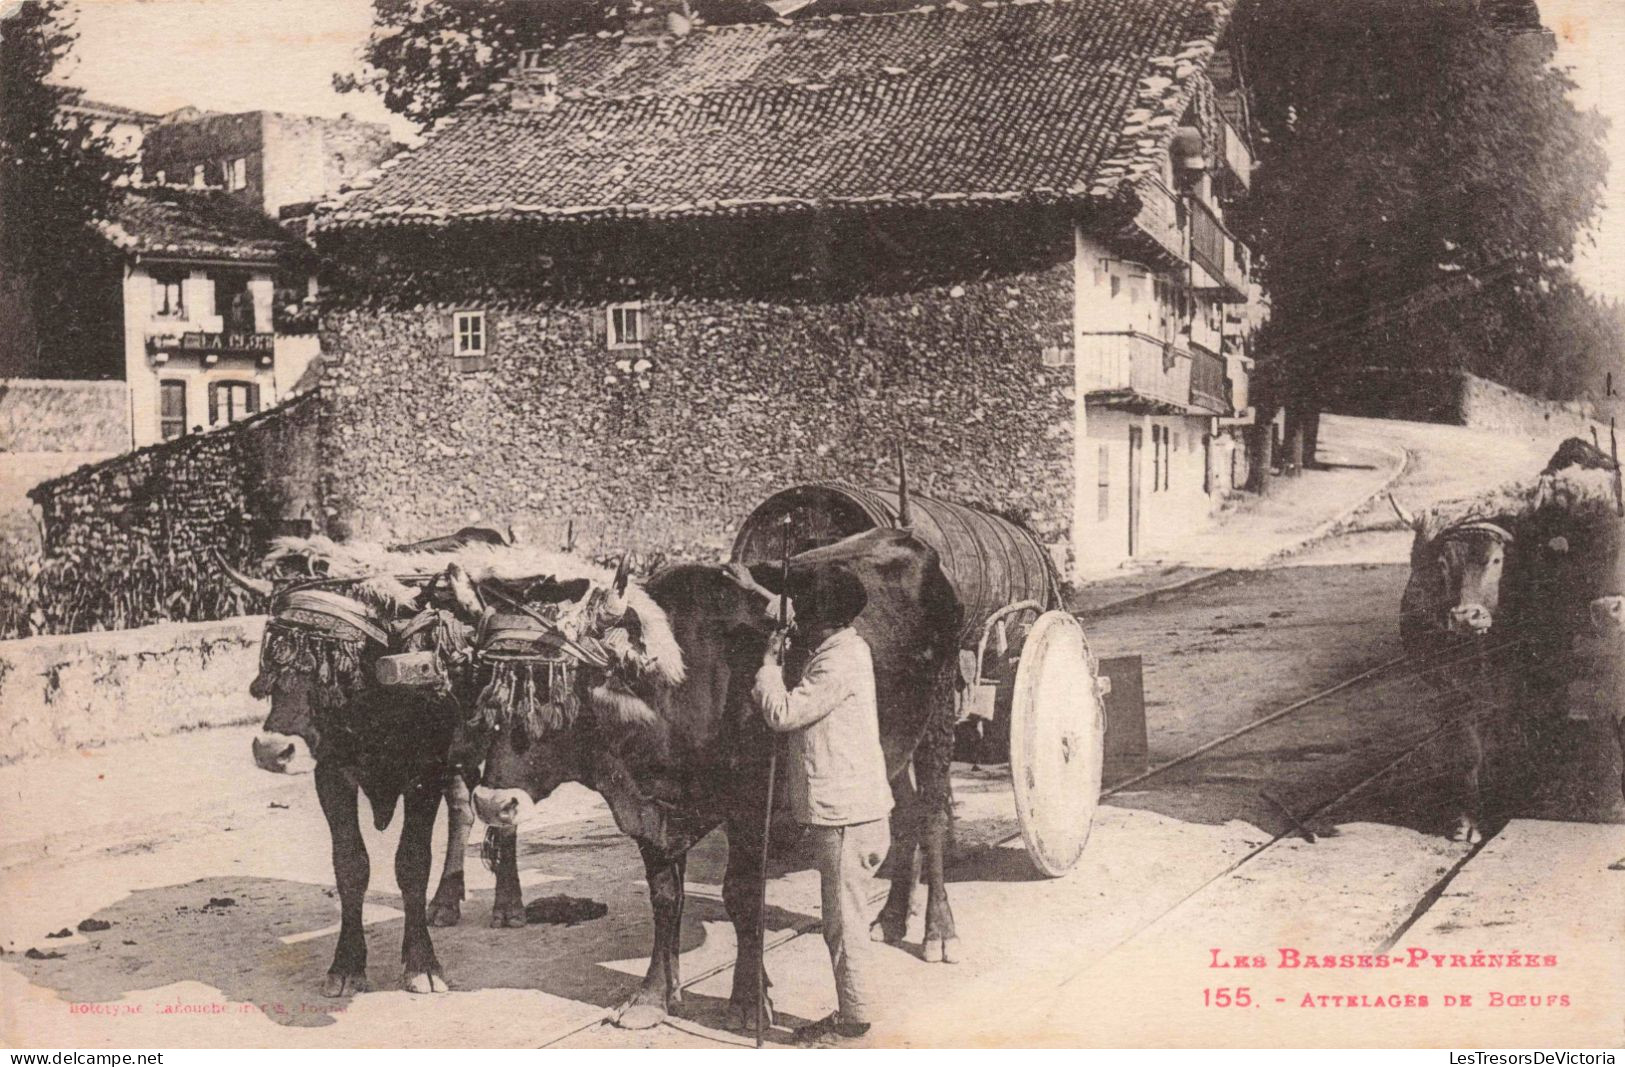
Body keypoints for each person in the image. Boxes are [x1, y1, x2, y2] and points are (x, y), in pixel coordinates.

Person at [751, 563, 893, 1047]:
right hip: (855, 810)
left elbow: (784, 713)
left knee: (844, 923)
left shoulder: (838, 661)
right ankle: (855, 1011)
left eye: (805, 616)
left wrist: (769, 666)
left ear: (823, 620)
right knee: (843, 918)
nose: (800, 624)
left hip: (846, 816)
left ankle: (853, 1021)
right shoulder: (843, 647)